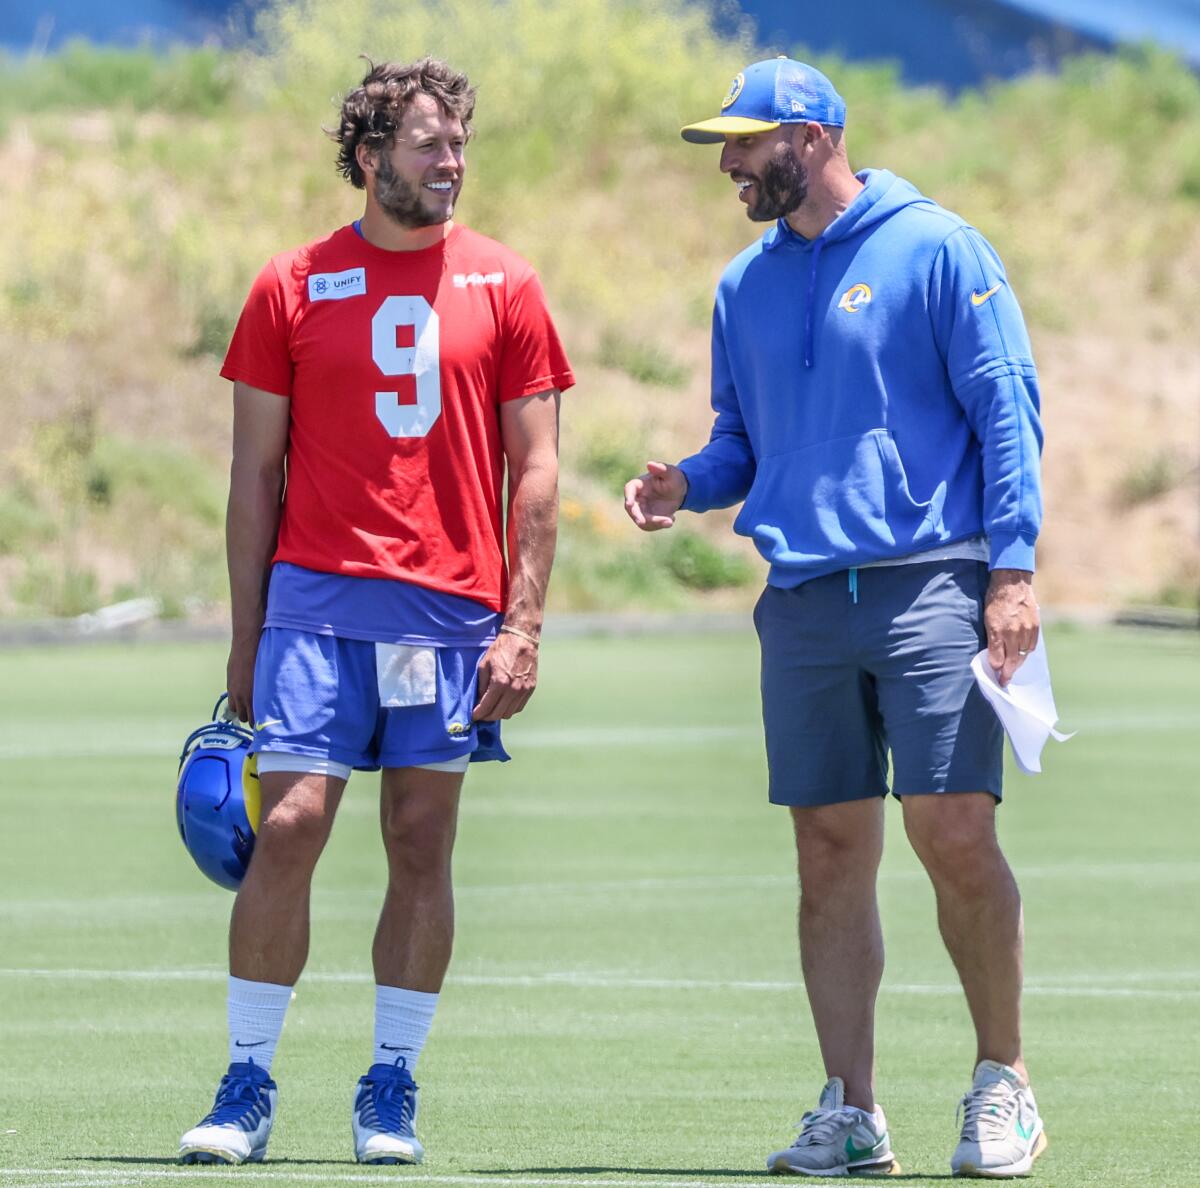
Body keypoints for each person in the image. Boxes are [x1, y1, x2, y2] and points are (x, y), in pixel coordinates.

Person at [624, 57, 1046, 1179]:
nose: (727, 165)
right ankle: (852, 1112)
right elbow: (742, 442)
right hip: (805, 602)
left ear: (808, 137)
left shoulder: (939, 248)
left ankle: (1002, 1081)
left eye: (744, 143)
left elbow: (1008, 409)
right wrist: (690, 484)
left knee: (953, 829)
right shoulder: (742, 286)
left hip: (932, 586)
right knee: (827, 854)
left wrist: (1012, 570)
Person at [178, 57, 573, 1166]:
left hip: (448, 616)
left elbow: (534, 473)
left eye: (458, 145)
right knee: (290, 825)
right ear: (368, 157)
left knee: (420, 841)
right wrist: (246, 639)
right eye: (426, 144)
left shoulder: (507, 287)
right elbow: (255, 476)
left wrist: (522, 623)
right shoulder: (290, 284)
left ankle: (391, 1081)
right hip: (315, 603)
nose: (450, 163)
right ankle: (247, 1078)